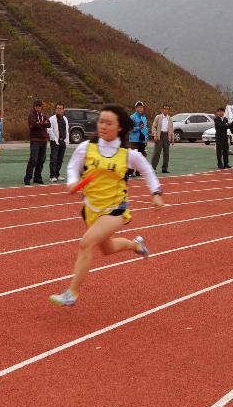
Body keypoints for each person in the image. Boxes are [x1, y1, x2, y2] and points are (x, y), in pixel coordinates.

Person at [49, 104, 164, 307]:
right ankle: (136, 244)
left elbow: (147, 170)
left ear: (119, 127)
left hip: (115, 210)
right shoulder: (87, 147)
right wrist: (72, 182)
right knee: (107, 248)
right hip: (90, 209)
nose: (103, 126)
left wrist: (155, 193)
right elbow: (72, 167)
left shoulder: (129, 155)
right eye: (101, 121)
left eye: (109, 123)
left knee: (85, 244)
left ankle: (71, 293)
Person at [24, 99, 50, 185]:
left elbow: (49, 124)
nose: (38, 107)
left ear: (41, 107)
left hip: (44, 140)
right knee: (33, 159)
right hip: (35, 140)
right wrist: (42, 124)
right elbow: (33, 125)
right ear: (34, 107)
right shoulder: (31, 116)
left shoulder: (44, 115)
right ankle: (27, 178)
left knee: (41, 160)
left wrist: (40, 123)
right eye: (36, 106)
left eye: (39, 106)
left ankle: (37, 177)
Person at [150, 104, 174, 174]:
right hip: (159, 135)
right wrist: (155, 135)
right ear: (162, 109)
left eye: (167, 109)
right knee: (157, 153)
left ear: (169, 110)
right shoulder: (158, 117)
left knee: (166, 153)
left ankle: (164, 168)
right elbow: (154, 126)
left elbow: (171, 129)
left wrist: (172, 138)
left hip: (167, 136)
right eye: (165, 109)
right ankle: (153, 168)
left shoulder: (170, 119)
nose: (166, 110)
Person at [48, 103, 68, 183]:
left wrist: (66, 140)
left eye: (61, 108)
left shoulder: (65, 119)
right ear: (55, 109)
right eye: (58, 108)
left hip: (63, 142)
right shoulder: (52, 119)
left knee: (60, 159)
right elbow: (49, 130)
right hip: (55, 142)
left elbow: (66, 129)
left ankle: (57, 174)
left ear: (63, 110)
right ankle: (52, 176)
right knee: (54, 159)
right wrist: (54, 139)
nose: (59, 110)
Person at [129, 101, 148, 177]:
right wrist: (138, 128)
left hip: (142, 140)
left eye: (141, 107)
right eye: (138, 107)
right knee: (133, 156)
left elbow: (145, 128)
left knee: (140, 156)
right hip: (134, 140)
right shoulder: (132, 117)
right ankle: (130, 172)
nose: (140, 108)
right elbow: (130, 128)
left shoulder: (144, 117)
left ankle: (138, 171)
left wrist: (145, 139)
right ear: (135, 108)